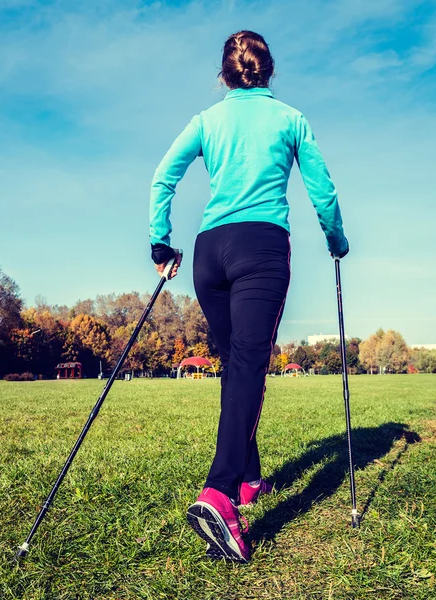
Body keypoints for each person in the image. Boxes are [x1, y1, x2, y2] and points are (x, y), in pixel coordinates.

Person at [149, 30, 349, 563]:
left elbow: (163, 177)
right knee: (248, 366)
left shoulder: (206, 121)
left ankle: (249, 477)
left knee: (237, 363)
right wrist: (336, 239)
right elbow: (322, 189)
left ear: (224, 74)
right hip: (260, 247)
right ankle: (219, 493)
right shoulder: (290, 119)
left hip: (209, 252)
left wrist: (159, 241)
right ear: (269, 70)